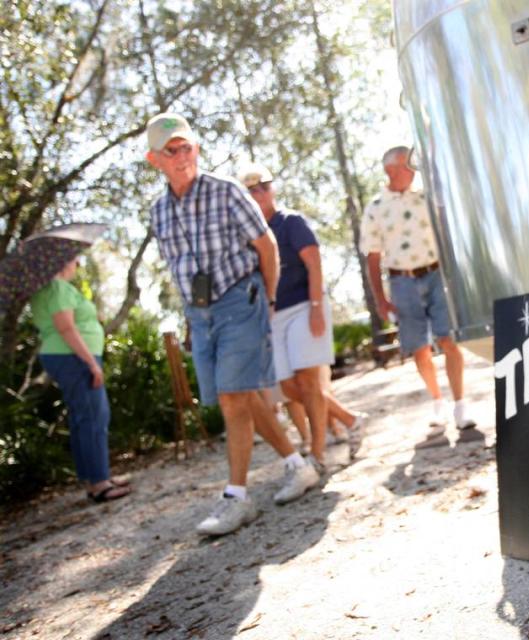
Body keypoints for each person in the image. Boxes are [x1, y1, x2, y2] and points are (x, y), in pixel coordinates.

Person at [145, 113, 318, 536]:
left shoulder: (226, 192)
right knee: (239, 396)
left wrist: (270, 298)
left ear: (196, 150)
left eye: (187, 146)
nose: (183, 155)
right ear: (155, 160)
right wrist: (189, 319)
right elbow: (178, 269)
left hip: (241, 298)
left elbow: (266, 245)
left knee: (232, 396)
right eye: (173, 150)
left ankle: (236, 496)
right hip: (199, 314)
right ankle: (298, 465)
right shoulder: (159, 212)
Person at [237, 163, 364, 468]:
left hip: (304, 307)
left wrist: (317, 308)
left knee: (308, 382)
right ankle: (351, 419)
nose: (259, 194)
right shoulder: (246, 236)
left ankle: (318, 455)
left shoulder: (290, 222)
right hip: (273, 315)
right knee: (288, 388)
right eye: (251, 191)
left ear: (272, 188)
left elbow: (314, 265)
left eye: (263, 187)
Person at [360, 146, 476, 444]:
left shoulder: (427, 198)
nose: (413, 170)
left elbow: (450, 233)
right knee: (419, 348)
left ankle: (461, 405)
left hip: (436, 274)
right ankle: (438, 402)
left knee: (447, 339)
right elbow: (373, 256)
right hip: (402, 283)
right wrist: (380, 299)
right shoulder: (375, 207)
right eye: (407, 166)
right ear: (391, 171)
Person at [31, 256, 132, 503]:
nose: (77, 263)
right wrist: (90, 363)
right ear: (63, 262)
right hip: (73, 358)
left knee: (83, 417)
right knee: (93, 416)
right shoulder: (57, 288)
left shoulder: (47, 289)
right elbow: (66, 328)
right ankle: (99, 483)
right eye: (75, 259)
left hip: (65, 356)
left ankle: (95, 477)